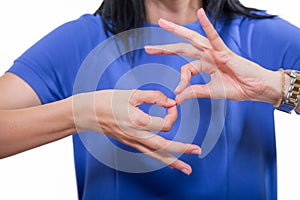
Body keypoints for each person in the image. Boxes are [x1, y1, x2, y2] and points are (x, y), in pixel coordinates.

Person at [0, 0, 299, 199]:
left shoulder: (261, 35)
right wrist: (81, 113)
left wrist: (278, 85)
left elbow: (280, 85)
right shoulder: (81, 40)